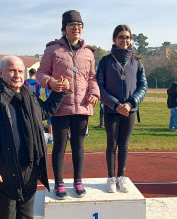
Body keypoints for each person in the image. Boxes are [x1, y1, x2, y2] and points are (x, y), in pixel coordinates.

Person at [0, 56, 67, 219]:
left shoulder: (27, 94)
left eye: (20, 71)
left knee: (26, 217)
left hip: (29, 171)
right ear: (1, 72)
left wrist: (60, 92)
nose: (17, 75)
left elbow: (44, 112)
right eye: (12, 70)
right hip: (3, 172)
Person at [37, 10, 100, 200]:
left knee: (79, 146)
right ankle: (59, 183)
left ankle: (78, 181)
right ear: (64, 29)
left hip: (81, 107)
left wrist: (94, 93)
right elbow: (41, 73)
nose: (76, 28)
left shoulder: (88, 52)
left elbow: (92, 78)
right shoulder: (52, 50)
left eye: (79, 25)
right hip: (60, 106)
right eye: (72, 25)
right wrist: (50, 82)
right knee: (59, 147)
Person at [96, 25, 147, 193]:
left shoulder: (137, 62)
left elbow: (143, 86)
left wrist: (131, 103)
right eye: (121, 37)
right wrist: (116, 104)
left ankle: (121, 176)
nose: (124, 40)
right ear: (114, 39)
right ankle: (111, 177)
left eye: (127, 37)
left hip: (129, 110)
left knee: (124, 145)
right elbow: (100, 87)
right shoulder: (105, 61)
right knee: (112, 144)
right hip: (112, 110)